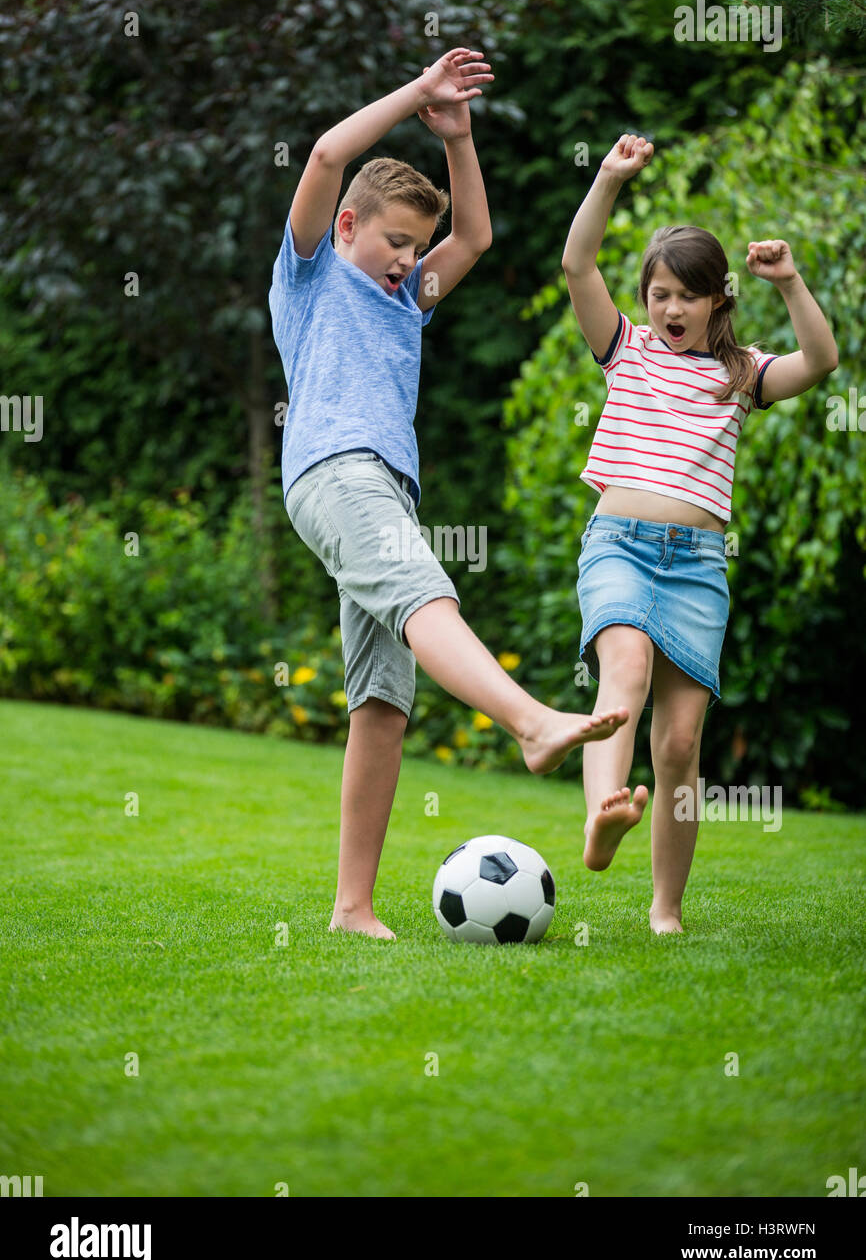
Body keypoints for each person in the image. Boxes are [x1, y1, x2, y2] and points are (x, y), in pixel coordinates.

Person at [268, 49, 628, 940]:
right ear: (348, 225)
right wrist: (416, 95)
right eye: (394, 241)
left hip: (385, 485)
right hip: (333, 469)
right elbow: (322, 156)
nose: (408, 260)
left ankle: (352, 907)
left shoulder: (406, 300)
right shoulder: (312, 276)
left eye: (414, 248)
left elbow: (475, 239)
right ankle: (530, 721)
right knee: (428, 591)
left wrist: (458, 138)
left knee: (383, 703)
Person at [561, 133, 839, 932]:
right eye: (659, 295)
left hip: (696, 569)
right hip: (618, 543)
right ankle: (601, 813)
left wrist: (788, 281)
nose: (671, 309)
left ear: (718, 299)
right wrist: (610, 179)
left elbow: (819, 361)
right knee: (625, 673)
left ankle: (666, 908)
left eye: (687, 295)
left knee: (680, 746)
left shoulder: (741, 372)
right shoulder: (627, 352)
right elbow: (580, 266)